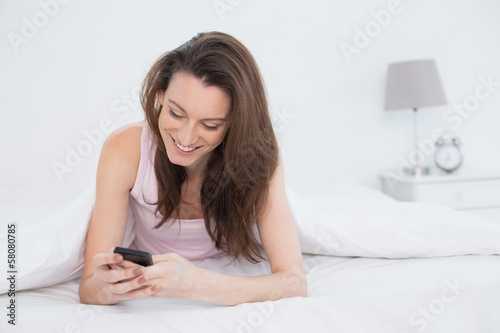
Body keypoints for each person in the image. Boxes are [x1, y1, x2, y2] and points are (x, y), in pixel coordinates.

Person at [78, 31, 307, 305]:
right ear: (160, 95)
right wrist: (112, 288)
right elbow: (90, 287)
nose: (185, 139)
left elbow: (294, 282)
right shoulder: (125, 149)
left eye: (210, 125)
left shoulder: (258, 155)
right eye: (176, 113)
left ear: (235, 123)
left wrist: (196, 284)